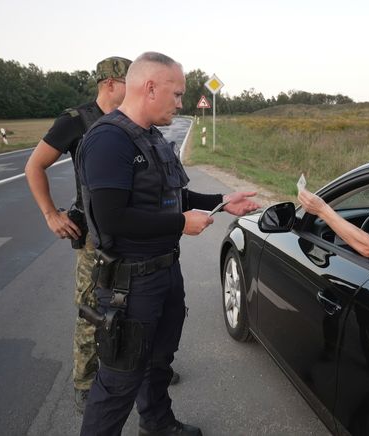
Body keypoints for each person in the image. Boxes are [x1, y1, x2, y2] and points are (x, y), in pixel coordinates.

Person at [78, 52, 258, 436]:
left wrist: (223, 204)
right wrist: (179, 223)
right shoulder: (110, 140)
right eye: (176, 94)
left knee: (159, 360)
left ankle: (157, 423)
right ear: (150, 87)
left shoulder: (151, 137)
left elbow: (174, 195)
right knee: (119, 381)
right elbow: (112, 218)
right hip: (129, 283)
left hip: (164, 273)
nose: (180, 103)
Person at [25, 56, 177, 414]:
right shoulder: (77, 121)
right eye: (130, 82)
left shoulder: (131, 122)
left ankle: (141, 370)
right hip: (95, 231)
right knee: (94, 308)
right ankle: (86, 381)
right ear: (110, 83)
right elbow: (35, 165)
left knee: (139, 305)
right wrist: (50, 214)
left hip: (133, 230)